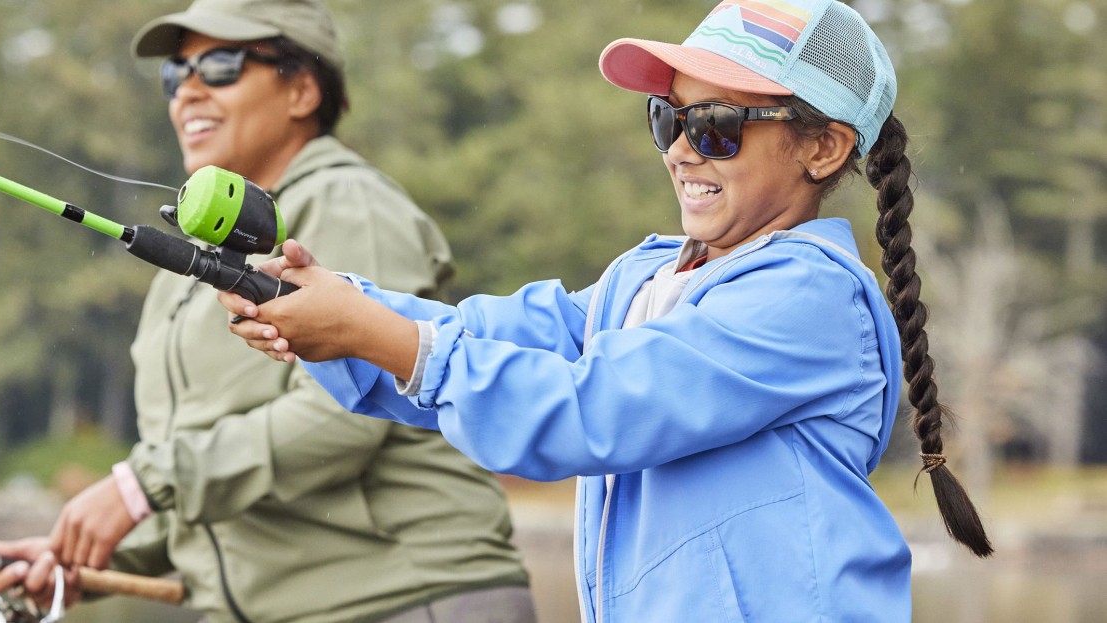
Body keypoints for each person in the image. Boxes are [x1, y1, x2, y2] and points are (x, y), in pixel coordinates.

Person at [221, 0, 995, 621]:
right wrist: (328, 307)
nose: (682, 150)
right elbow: (486, 338)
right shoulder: (648, 275)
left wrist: (377, 336)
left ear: (822, 149)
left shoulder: (809, 299)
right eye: (669, 118)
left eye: (716, 127)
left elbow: (592, 407)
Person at [0, 1, 533, 621]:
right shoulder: (186, 269)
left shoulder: (348, 203)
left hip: (409, 599)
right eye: (174, 74)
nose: (187, 90)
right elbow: (210, 482)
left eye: (219, 65)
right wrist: (89, 558)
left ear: (301, 90)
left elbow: (348, 416)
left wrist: (146, 485)